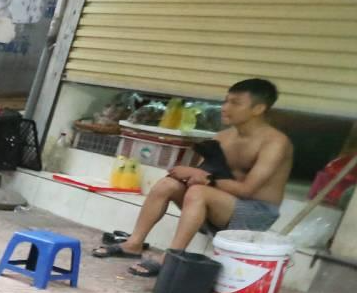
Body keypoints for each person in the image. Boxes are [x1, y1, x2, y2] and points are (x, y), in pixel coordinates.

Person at [95, 78, 293, 276]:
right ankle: (133, 244)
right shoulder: (223, 137)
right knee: (167, 185)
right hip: (219, 205)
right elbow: (200, 176)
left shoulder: (275, 142)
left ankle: (171, 257)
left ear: (258, 109)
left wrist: (202, 178)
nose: (225, 108)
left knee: (199, 192)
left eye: (235, 103)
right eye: (226, 101)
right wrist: (186, 175)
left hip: (255, 213)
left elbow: (247, 190)